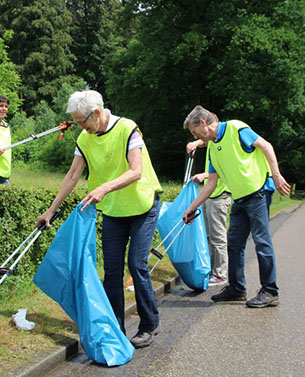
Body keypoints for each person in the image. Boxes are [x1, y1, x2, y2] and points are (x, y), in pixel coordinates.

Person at [37, 90, 163, 348]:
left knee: (137, 265)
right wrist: (50, 210)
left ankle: (149, 324)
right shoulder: (85, 138)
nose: (79, 126)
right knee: (112, 271)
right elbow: (73, 175)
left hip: (142, 205)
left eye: (81, 121)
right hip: (114, 210)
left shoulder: (128, 128)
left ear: (96, 114)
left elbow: (136, 171)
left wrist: (104, 188)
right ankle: (114, 327)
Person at [183, 105, 291, 308]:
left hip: (258, 192)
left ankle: (270, 291)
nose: (196, 136)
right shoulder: (213, 148)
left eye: (195, 132)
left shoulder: (236, 127)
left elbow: (266, 145)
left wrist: (276, 176)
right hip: (240, 198)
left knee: (261, 241)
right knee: (234, 243)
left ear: (204, 123)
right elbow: (211, 184)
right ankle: (237, 288)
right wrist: (192, 207)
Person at [186, 139, 231, 286]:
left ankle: (220, 274)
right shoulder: (211, 140)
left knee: (218, 237)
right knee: (207, 235)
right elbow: (204, 141)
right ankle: (211, 269)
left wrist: (205, 175)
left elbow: (224, 167)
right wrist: (195, 144)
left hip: (220, 195)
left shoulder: (224, 142)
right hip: (209, 195)